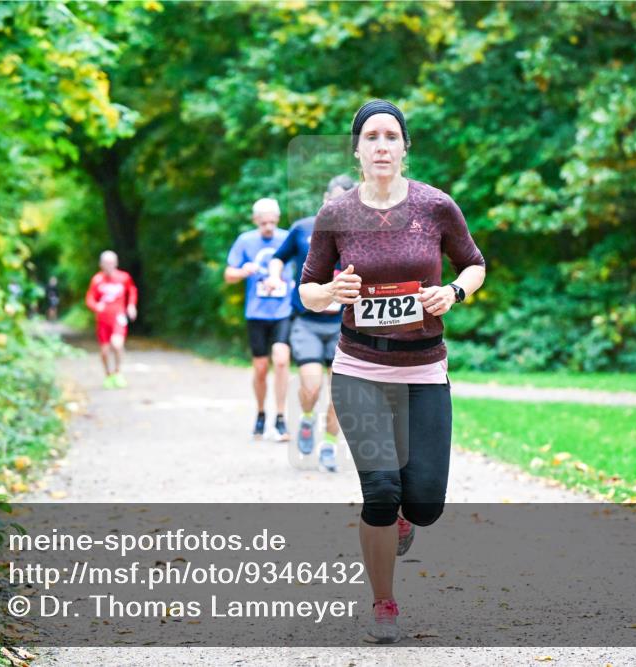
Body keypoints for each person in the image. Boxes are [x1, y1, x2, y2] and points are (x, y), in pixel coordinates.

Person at [299, 99, 486, 643]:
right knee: (380, 489)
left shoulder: (436, 207)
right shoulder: (335, 213)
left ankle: (408, 519)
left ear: (405, 147)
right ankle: (384, 601)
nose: (382, 145)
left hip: (424, 368)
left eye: (391, 136)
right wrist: (332, 292)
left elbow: (474, 264)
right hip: (359, 366)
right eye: (372, 137)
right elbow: (307, 289)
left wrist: (452, 292)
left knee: (423, 503)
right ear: (357, 150)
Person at [265, 175, 355, 472]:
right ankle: (306, 418)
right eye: (336, 200)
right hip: (307, 322)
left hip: (344, 324)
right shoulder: (304, 228)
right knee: (313, 386)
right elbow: (279, 258)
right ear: (326, 199)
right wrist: (275, 275)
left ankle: (329, 444)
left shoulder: (358, 234)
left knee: (340, 394)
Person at [224, 198, 293, 442]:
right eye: (263, 222)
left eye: (273, 222)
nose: (268, 227)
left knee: (282, 361)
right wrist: (244, 270)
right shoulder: (245, 240)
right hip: (256, 313)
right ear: (255, 220)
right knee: (261, 369)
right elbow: (228, 274)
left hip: (283, 311)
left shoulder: (287, 237)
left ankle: (282, 418)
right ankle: (262, 413)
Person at [85, 250, 138, 388]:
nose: (109, 265)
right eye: (106, 263)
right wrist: (96, 306)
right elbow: (89, 298)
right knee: (104, 351)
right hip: (103, 320)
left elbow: (132, 291)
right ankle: (108, 376)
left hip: (118, 317)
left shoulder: (124, 277)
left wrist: (131, 306)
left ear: (116, 263)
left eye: (111, 262)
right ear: (101, 264)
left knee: (117, 344)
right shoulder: (97, 280)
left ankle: (118, 372)